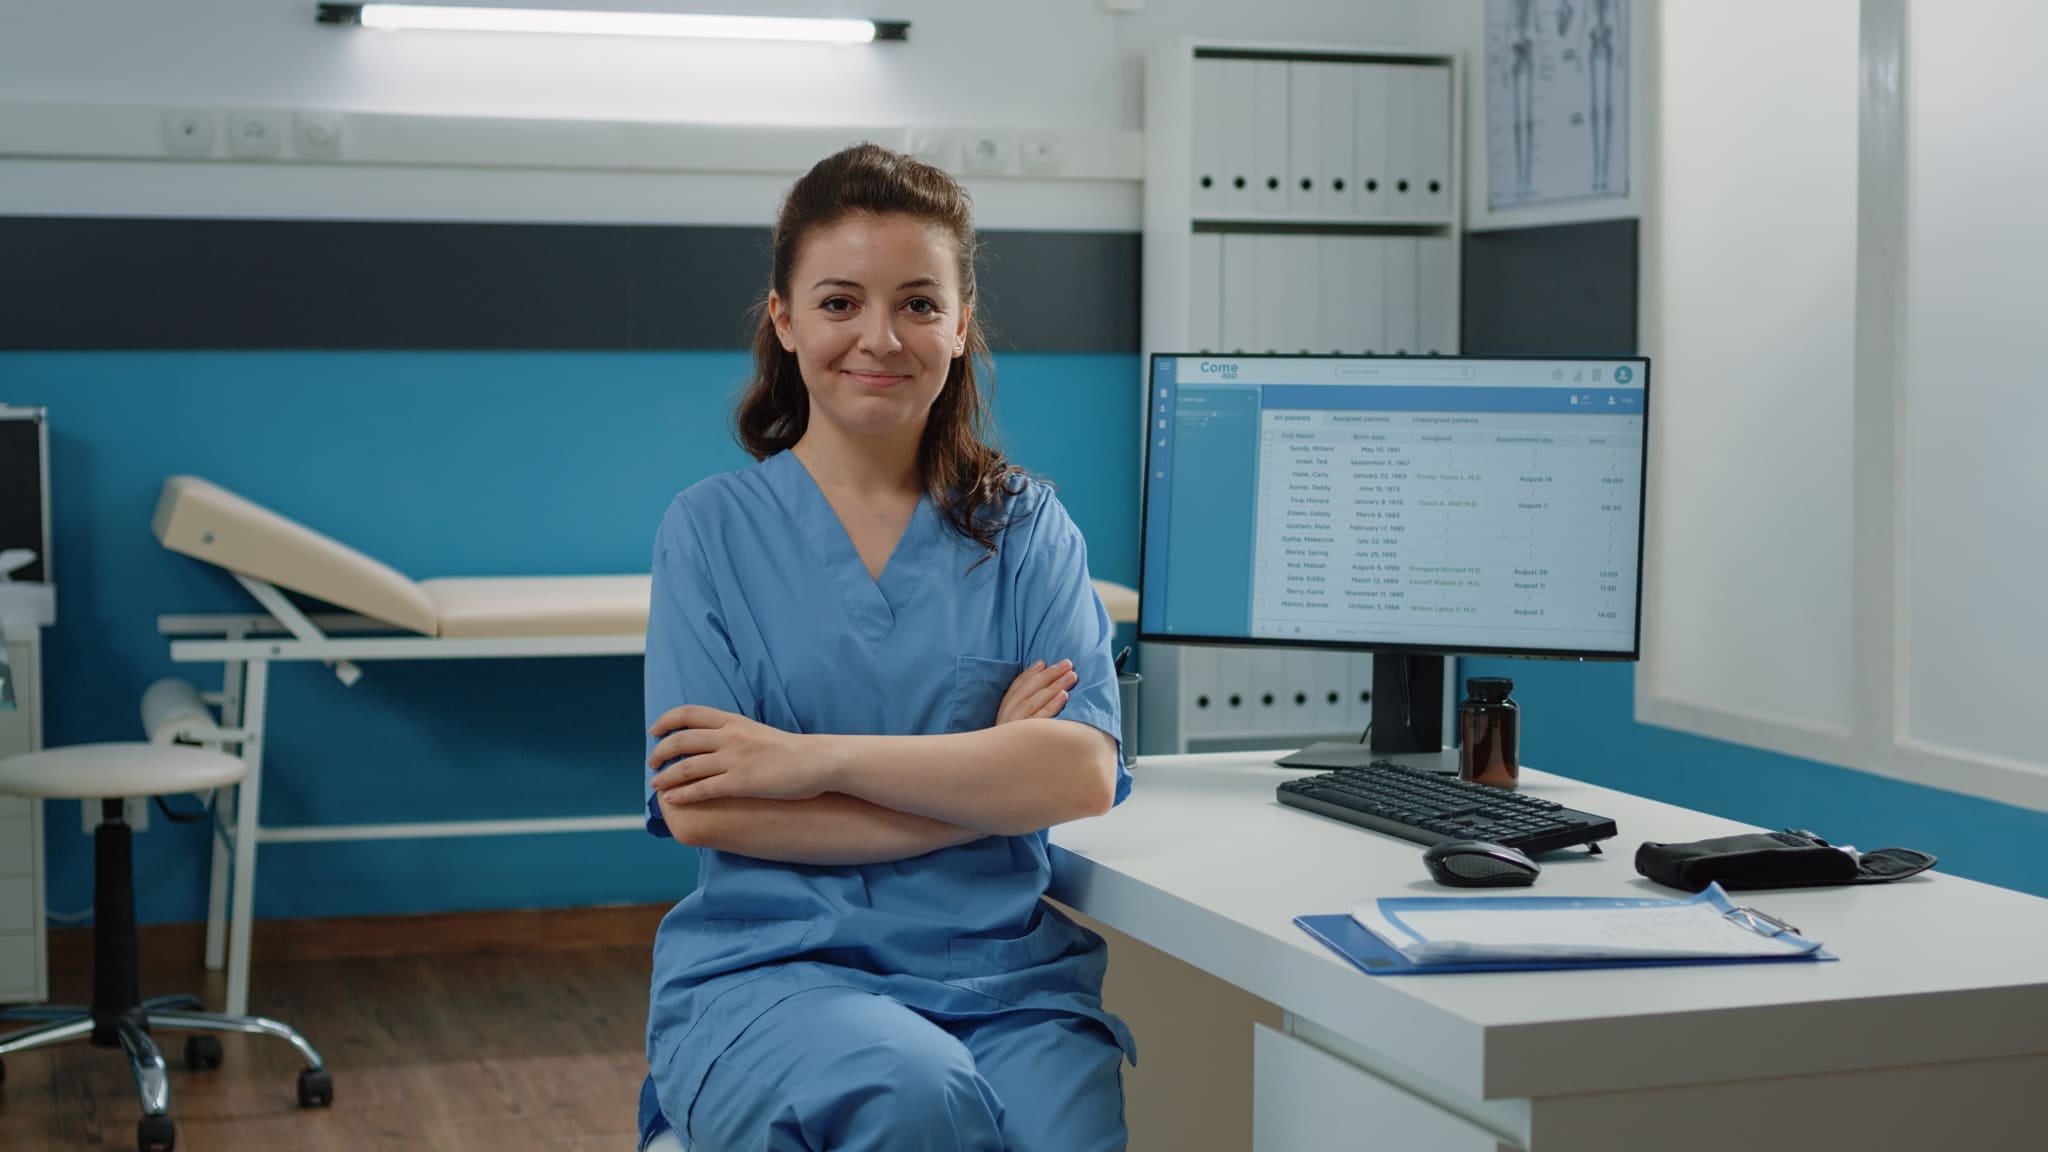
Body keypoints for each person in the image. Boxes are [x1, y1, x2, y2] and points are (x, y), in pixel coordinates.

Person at [636, 142, 1135, 1152]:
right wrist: (980, 787)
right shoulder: (711, 531)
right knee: (911, 1093)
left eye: (917, 303)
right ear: (782, 319)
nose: (879, 337)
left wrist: (812, 760)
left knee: (1061, 1133)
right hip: (775, 976)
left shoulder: (1024, 527)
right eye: (837, 303)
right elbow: (705, 806)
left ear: (958, 325)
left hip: (1007, 981)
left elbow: (1079, 771)